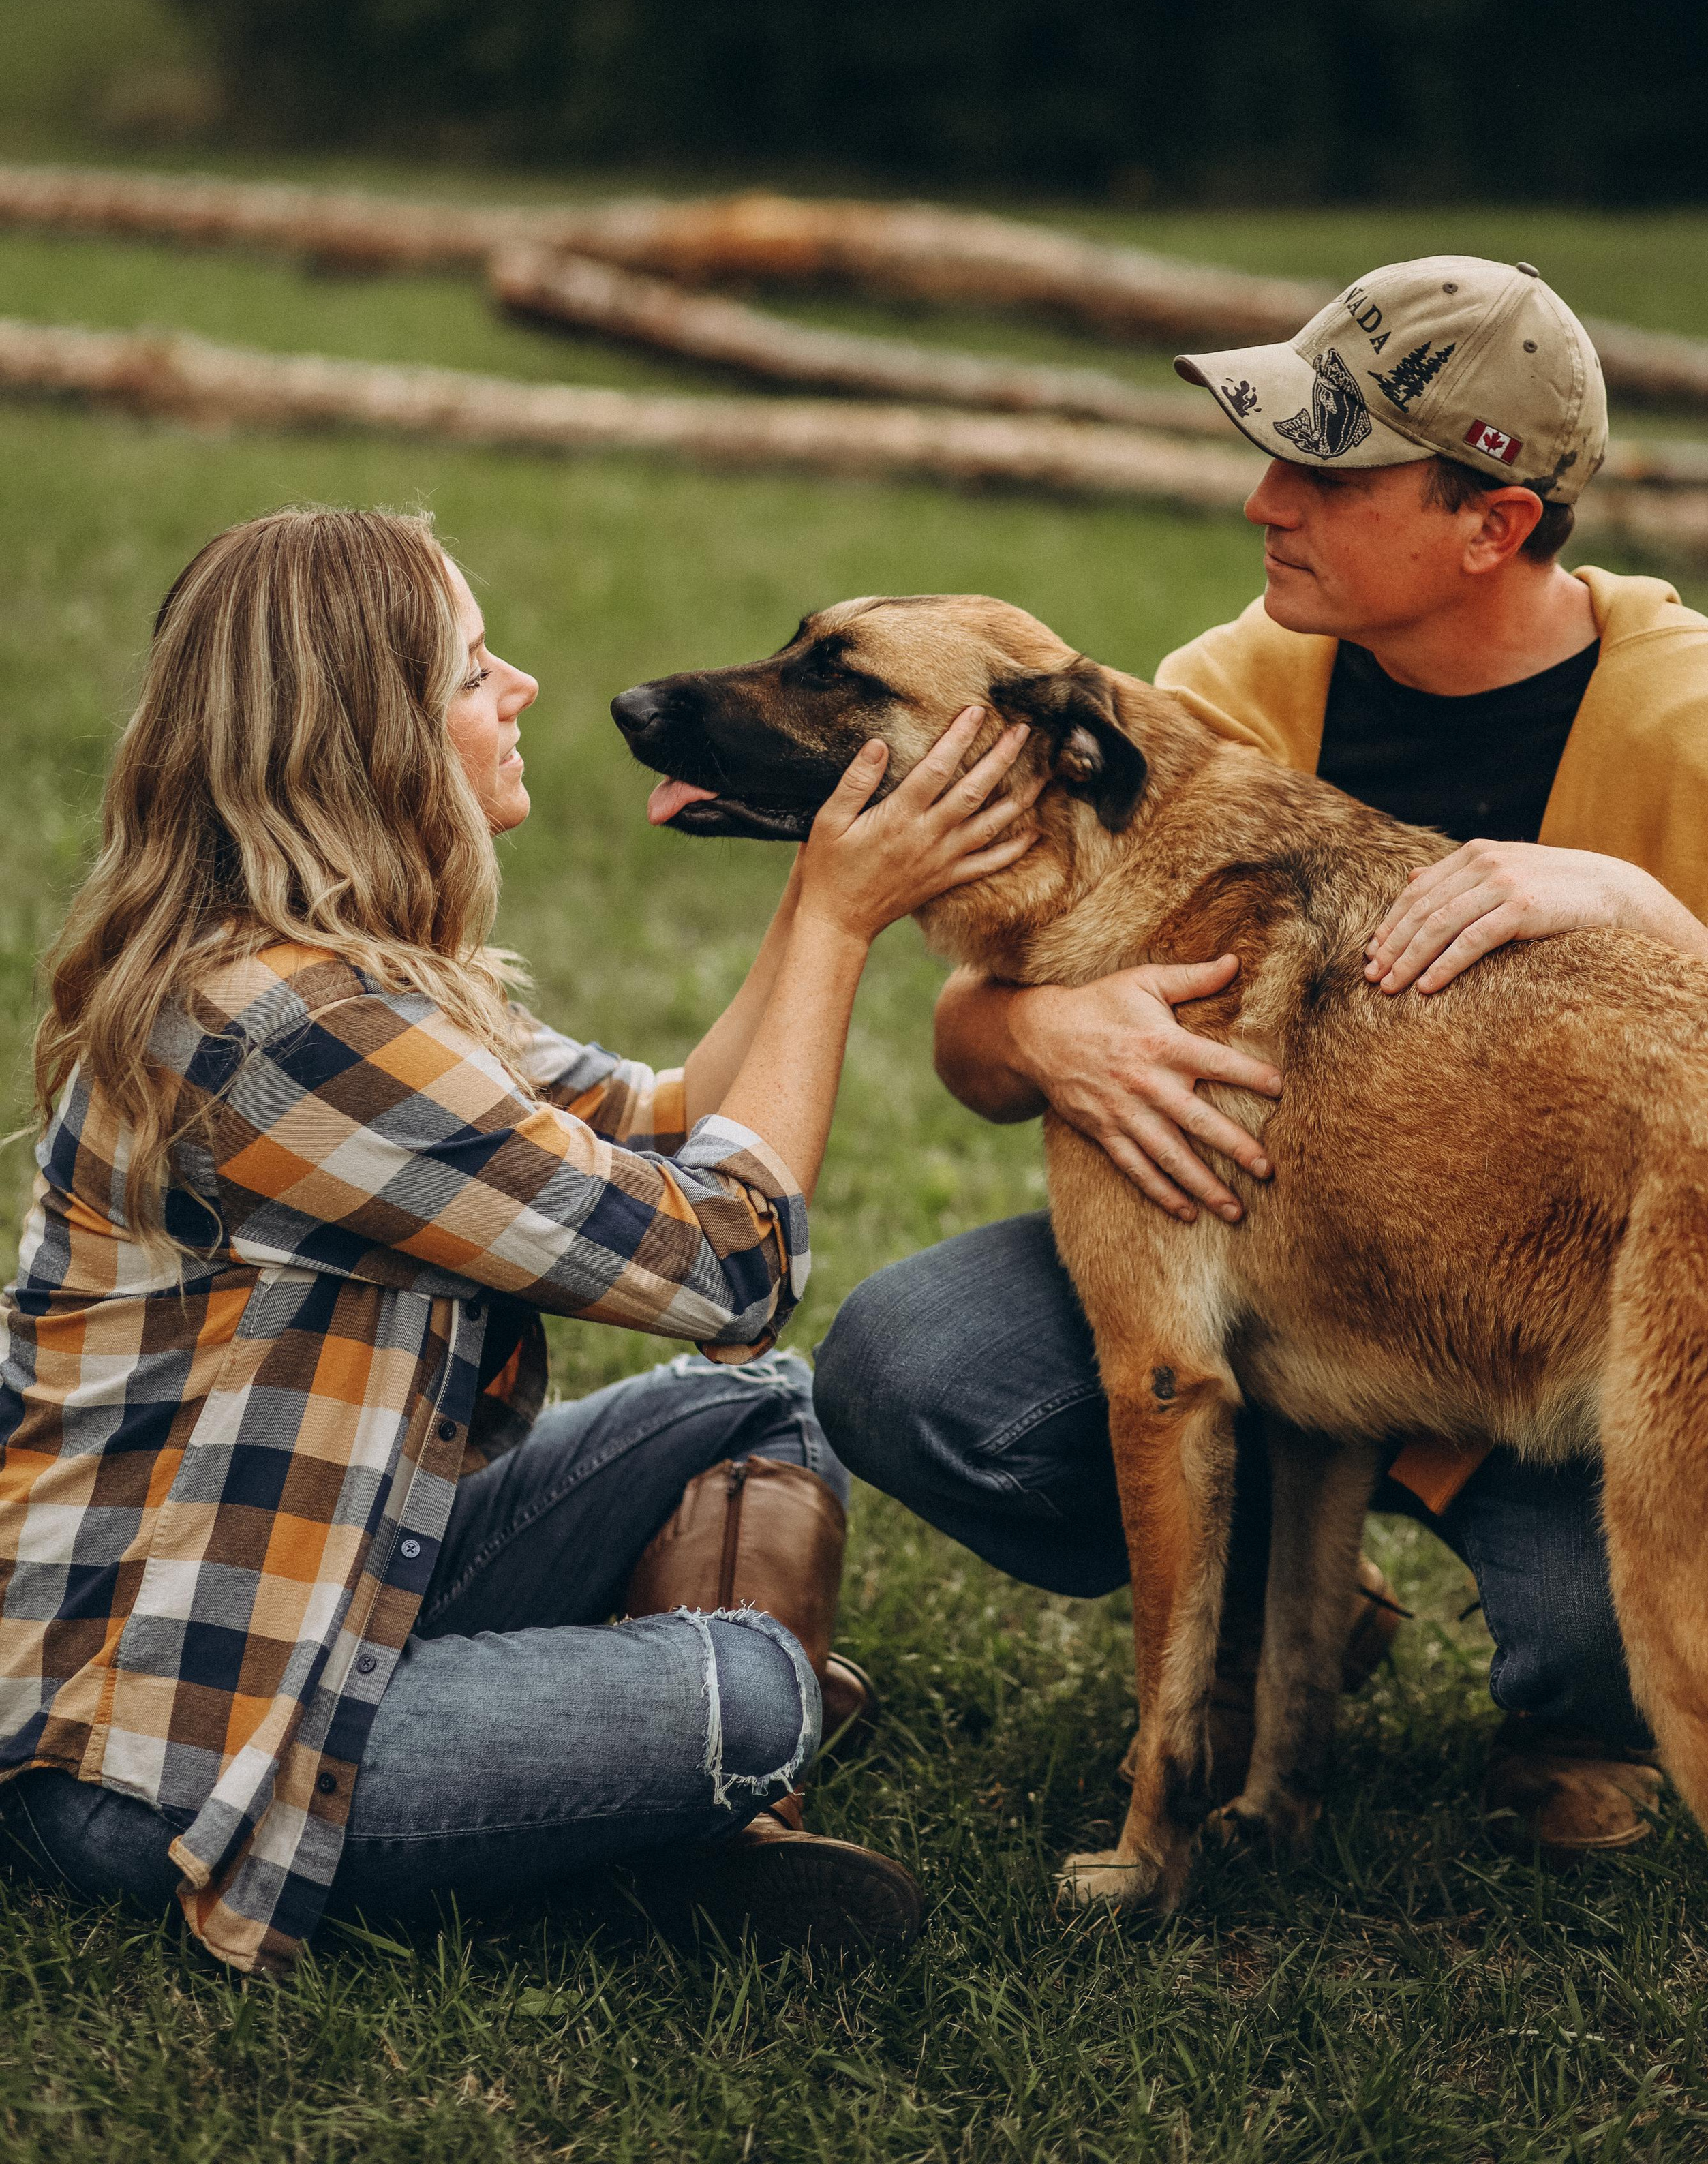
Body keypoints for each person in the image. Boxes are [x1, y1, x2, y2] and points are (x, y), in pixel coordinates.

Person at [0, 504, 1039, 1979]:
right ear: (365, 736)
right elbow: (726, 1264)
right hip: (162, 1749)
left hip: (339, 1590)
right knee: (748, 1695)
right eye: (474, 670)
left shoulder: (357, 971)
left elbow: (668, 1118)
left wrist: (818, 888)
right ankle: (701, 1802)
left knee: (758, 1410)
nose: (525, 690)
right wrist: (836, 925)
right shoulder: (294, 1033)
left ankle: (692, 1827)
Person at [816, 253, 1708, 1860]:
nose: (1263, 503)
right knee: (914, 1369)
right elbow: (975, 1040)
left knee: (1640, 1632)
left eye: (1324, 470)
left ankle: (1576, 1710)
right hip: (1288, 1279)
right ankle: (1293, 1608)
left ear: (1490, 523)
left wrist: (1643, 906)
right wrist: (1039, 1024)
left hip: (1573, 1330)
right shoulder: (1223, 694)